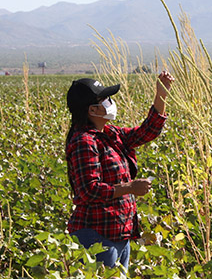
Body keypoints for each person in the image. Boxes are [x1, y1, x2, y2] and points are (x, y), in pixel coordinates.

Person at [65, 71, 174, 268]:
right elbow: (89, 189)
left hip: (119, 232)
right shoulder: (84, 142)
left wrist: (161, 94)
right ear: (92, 110)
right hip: (95, 236)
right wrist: (130, 187)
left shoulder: (110, 133)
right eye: (104, 99)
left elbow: (147, 132)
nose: (110, 102)